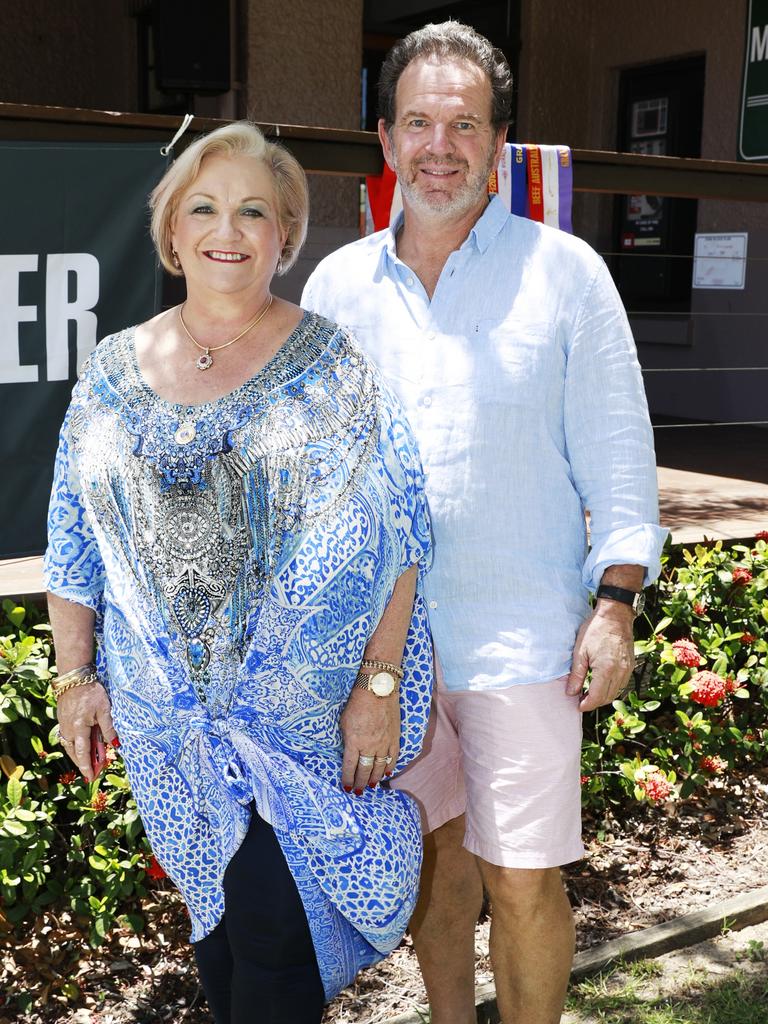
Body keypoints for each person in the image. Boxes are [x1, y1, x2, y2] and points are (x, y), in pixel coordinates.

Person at [302, 21, 668, 1024]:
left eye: (464, 124)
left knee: (522, 881)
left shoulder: (568, 274)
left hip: (524, 642)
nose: (439, 144)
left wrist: (617, 600)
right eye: (417, 121)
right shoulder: (336, 290)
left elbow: (618, 452)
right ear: (384, 140)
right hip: (391, 655)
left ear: (499, 143)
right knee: (430, 876)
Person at [43, 121, 433, 1024]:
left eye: (254, 210)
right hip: (165, 728)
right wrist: (75, 677)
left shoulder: (331, 363)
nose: (230, 228)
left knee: (274, 949)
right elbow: (73, 539)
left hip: (302, 725)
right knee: (220, 949)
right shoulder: (107, 371)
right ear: (173, 231)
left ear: (285, 236)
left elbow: (400, 528)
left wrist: (379, 683)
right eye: (206, 208)